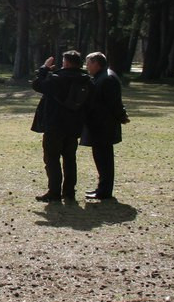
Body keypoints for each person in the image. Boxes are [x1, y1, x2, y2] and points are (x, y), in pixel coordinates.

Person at [31, 50, 92, 202]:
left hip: (55, 125)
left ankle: (54, 192)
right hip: (74, 126)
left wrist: (44, 69)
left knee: (52, 159)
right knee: (70, 159)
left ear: (67, 63)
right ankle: (69, 192)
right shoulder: (86, 81)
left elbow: (37, 85)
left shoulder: (57, 79)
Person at [81, 51, 128, 201]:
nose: (87, 66)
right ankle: (102, 188)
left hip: (103, 126)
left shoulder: (107, 79)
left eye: (88, 63)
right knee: (101, 158)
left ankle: (104, 191)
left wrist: (121, 116)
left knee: (104, 160)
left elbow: (113, 103)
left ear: (96, 63)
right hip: (99, 125)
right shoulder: (102, 77)